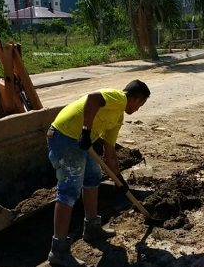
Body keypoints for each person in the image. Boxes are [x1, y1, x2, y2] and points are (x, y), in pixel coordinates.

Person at [46, 79, 151, 266]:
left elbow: (109, 153)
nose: (138, 109)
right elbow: (93, 98)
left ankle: (92, 227)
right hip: (64, 137)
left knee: (93, 177)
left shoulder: (118, 117)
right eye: (141, 104)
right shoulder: (118, 98)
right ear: (135, 99)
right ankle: (58, 251)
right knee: (69, 190)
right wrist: (86, 131)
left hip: (82, 144)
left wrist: (119, 179)